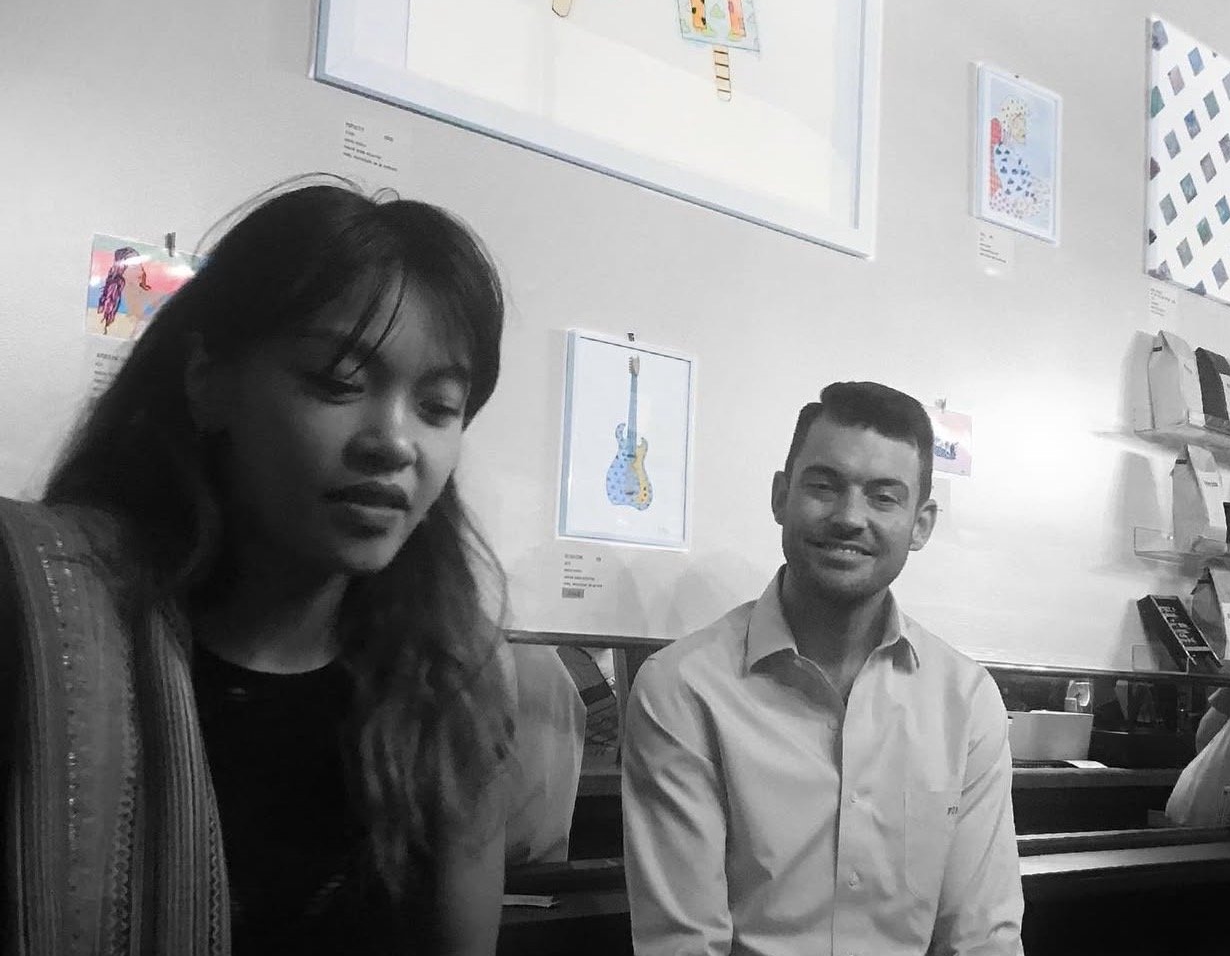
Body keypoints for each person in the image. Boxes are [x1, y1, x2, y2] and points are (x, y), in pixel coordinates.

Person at [0, 177, 513, 956]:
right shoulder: (48, 634)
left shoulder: (449, 680)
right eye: (337, 382)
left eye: (438, 406)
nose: (395, 440)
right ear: (210, 382)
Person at [623, 381, 1025, 956]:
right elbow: (683, 946)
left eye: (884, 497)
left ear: (920, 524)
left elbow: (982, 937)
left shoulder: (965, 700)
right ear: (781, 496)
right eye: (824, 486)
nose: (849, 517)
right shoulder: (684, 689)